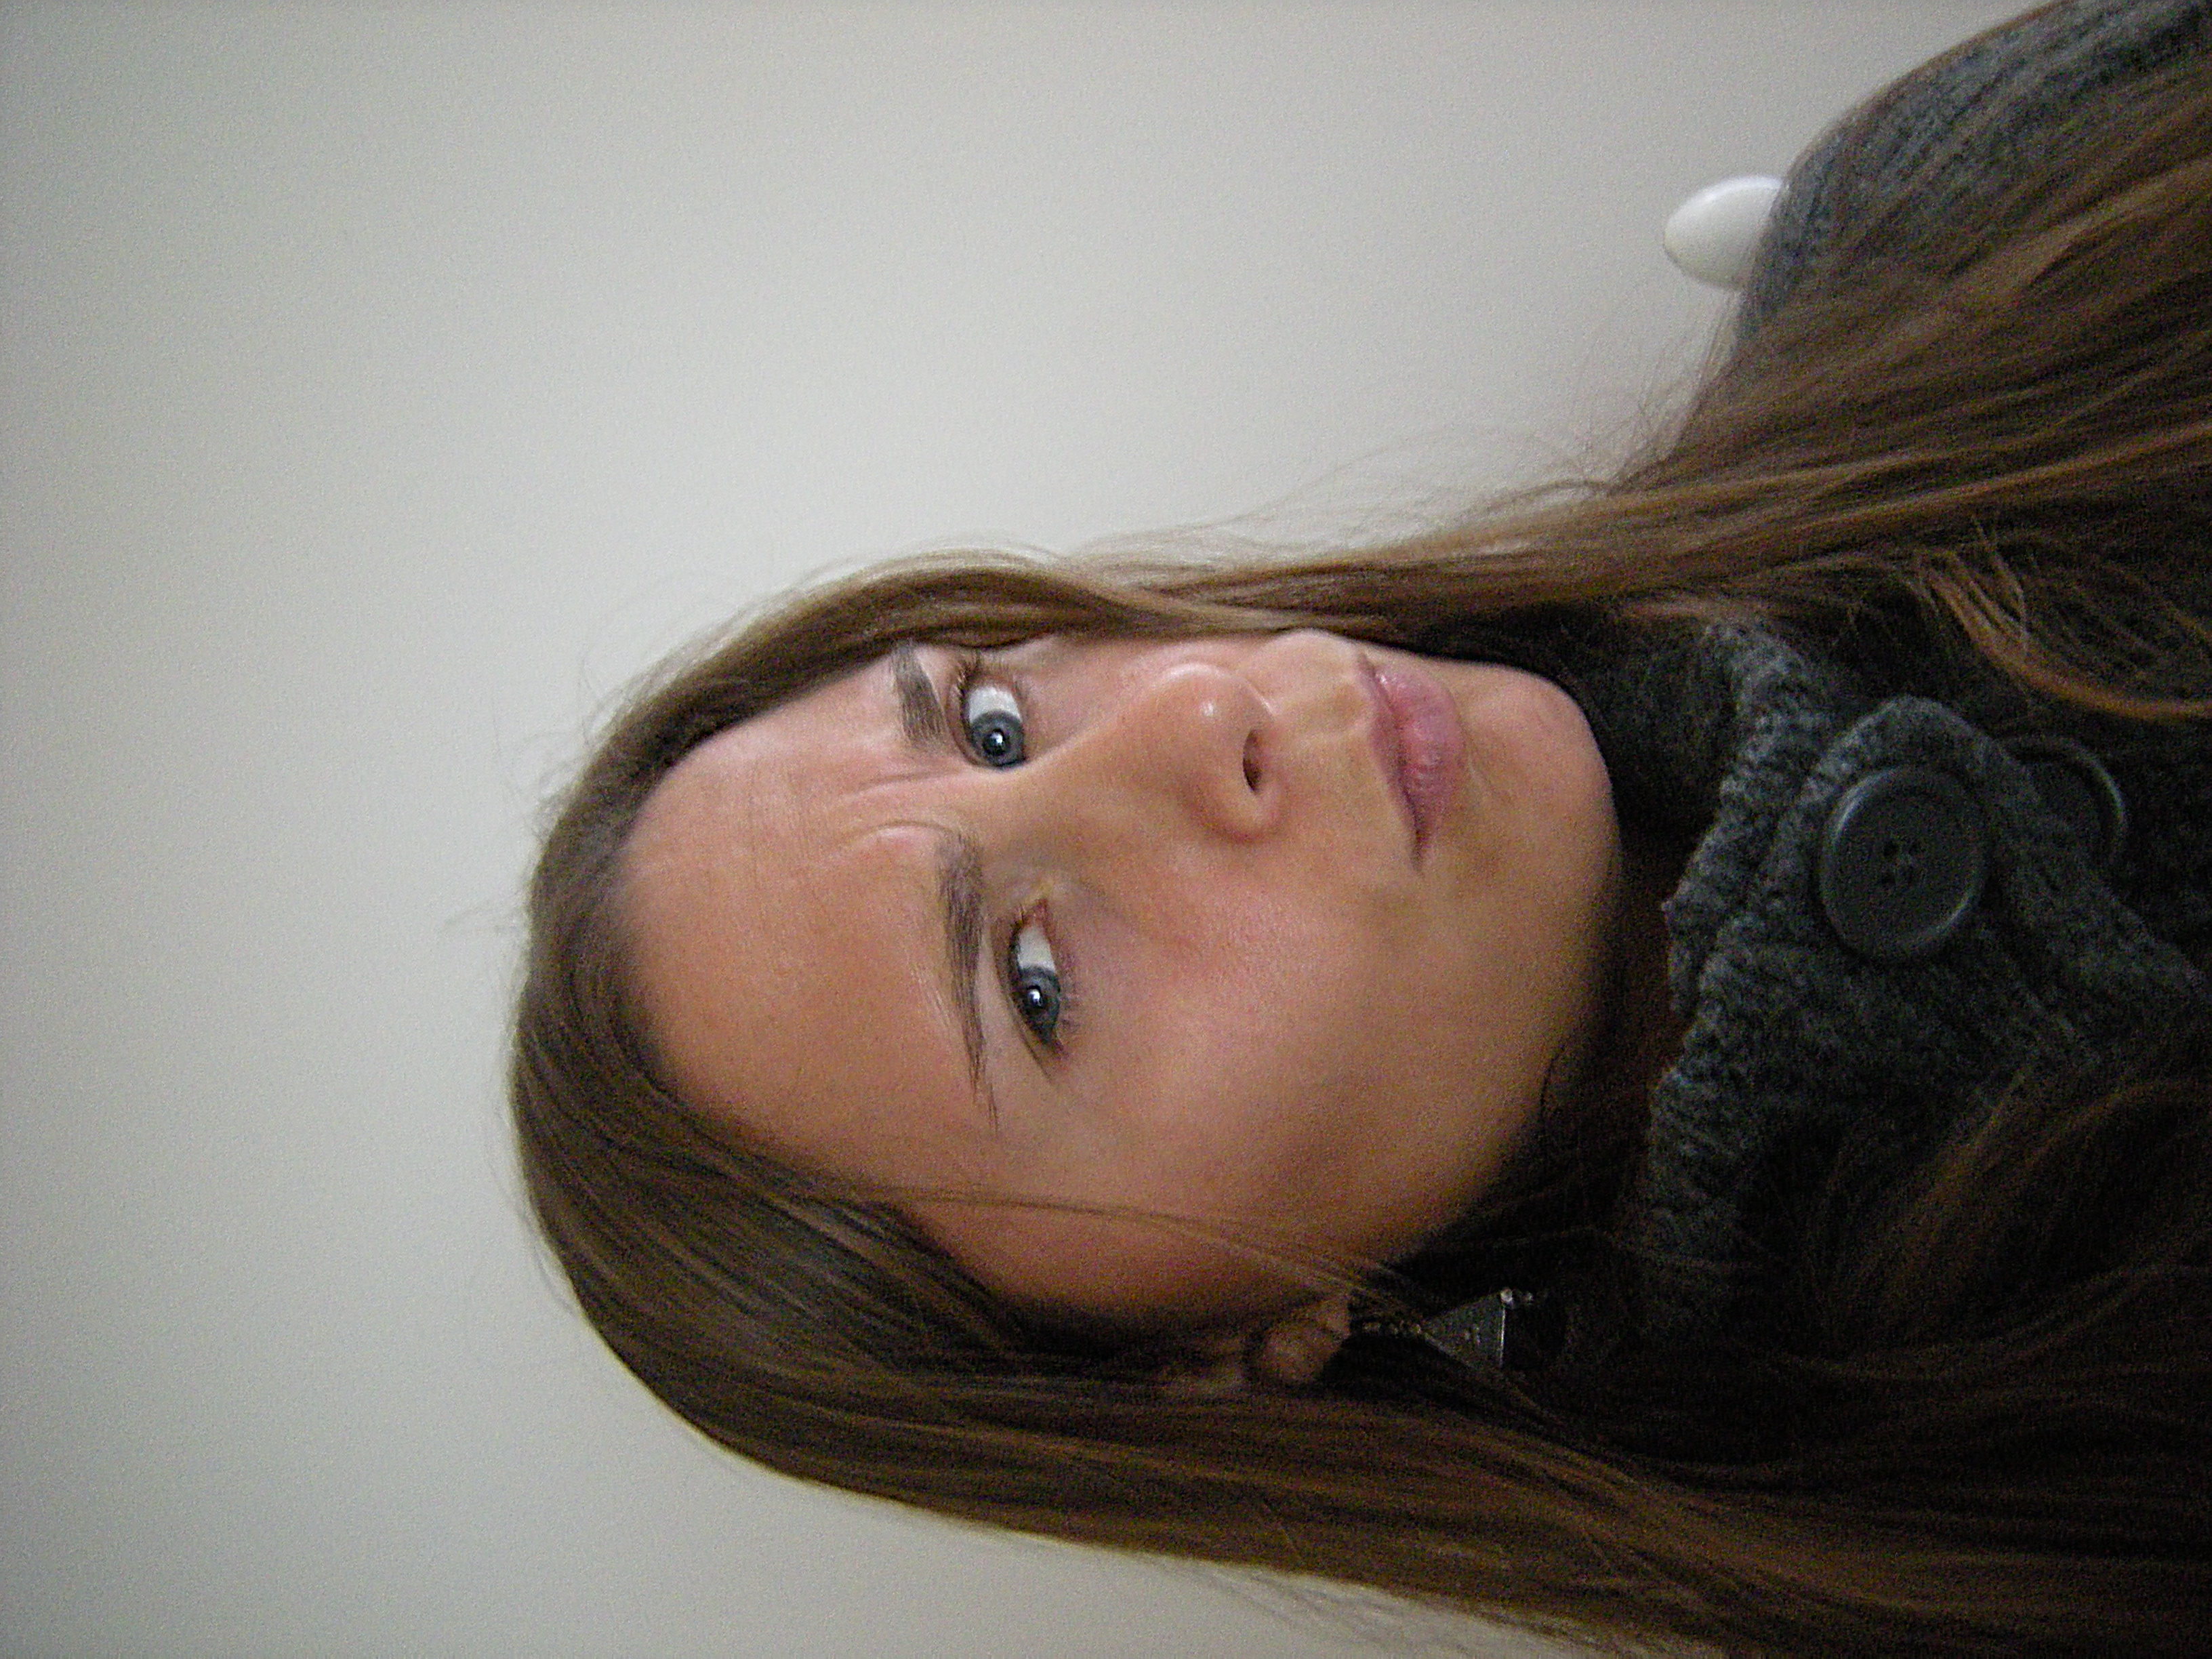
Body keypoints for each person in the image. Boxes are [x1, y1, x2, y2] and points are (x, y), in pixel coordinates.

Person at [511, 2, 2212, 1652]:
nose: (1200, 712)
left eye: (992, 716)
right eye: (1036, 986)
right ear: (1210, 1354)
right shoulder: (1990, 1564)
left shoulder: (1962, 242)